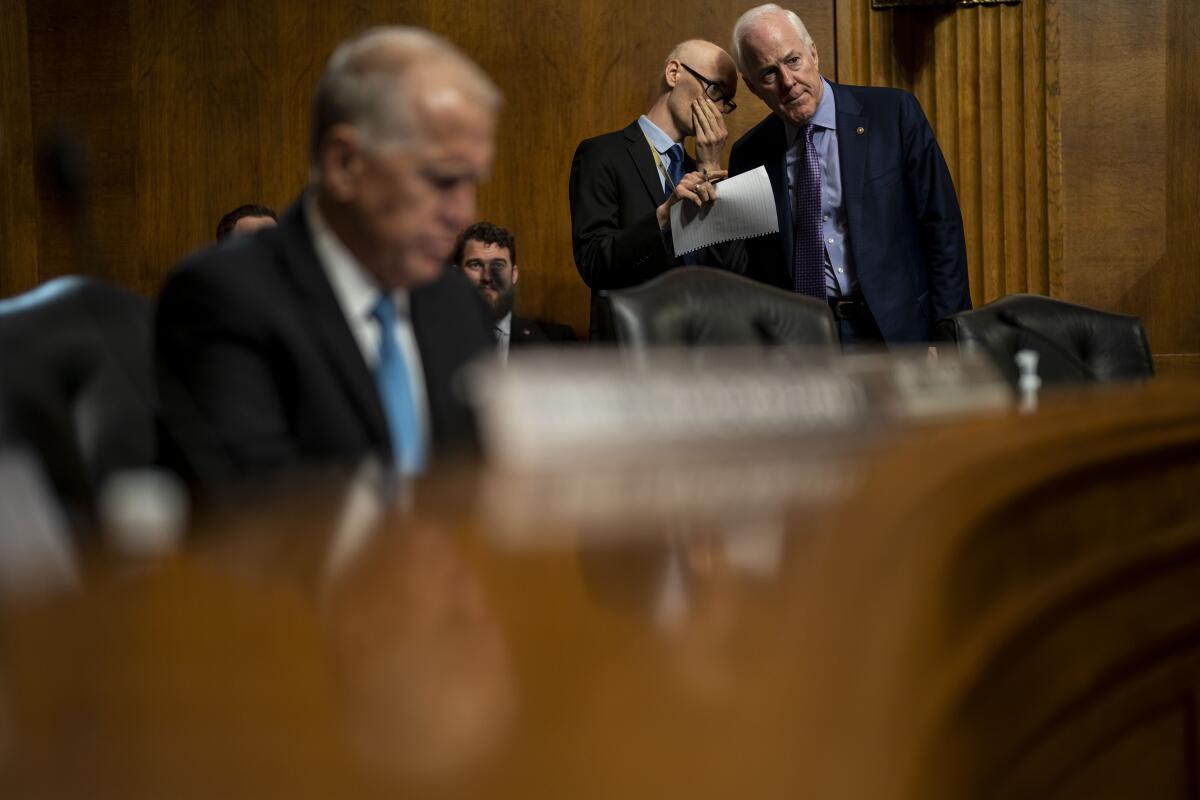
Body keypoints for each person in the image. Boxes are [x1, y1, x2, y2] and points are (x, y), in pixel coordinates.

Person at [156, 27, 499, 490]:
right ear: (345, 163)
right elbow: (256, 518)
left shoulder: (454, 301)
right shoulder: (224, 300)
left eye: (471, 181)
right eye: (441, 180)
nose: (463, 213)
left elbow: (480, 484)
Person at [728, 4, 970, 345]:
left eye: (793, 60)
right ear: (752, 87)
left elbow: (941, 227)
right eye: (768, 73)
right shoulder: (749, 154)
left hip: (898, 333)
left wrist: (945, 336)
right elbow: (745, 267)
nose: (788, 82)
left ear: (813, 53)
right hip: (806, 341)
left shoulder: (894, 115)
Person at [569, 40, 747, 337]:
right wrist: (664, 217)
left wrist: (711, 166)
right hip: (631, 348)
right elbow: (594, 264)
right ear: (674, 73)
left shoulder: (700, 170)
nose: (717, 109)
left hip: (700, 350)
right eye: (713, 89)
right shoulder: (602, 153)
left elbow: (732, 274)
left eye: (724, 101)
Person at [451, 222, 576, 362]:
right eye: (475, 265)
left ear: (514, 275)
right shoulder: (431, 338)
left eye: (498, 265)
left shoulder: (555, 342)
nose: (487, 277)